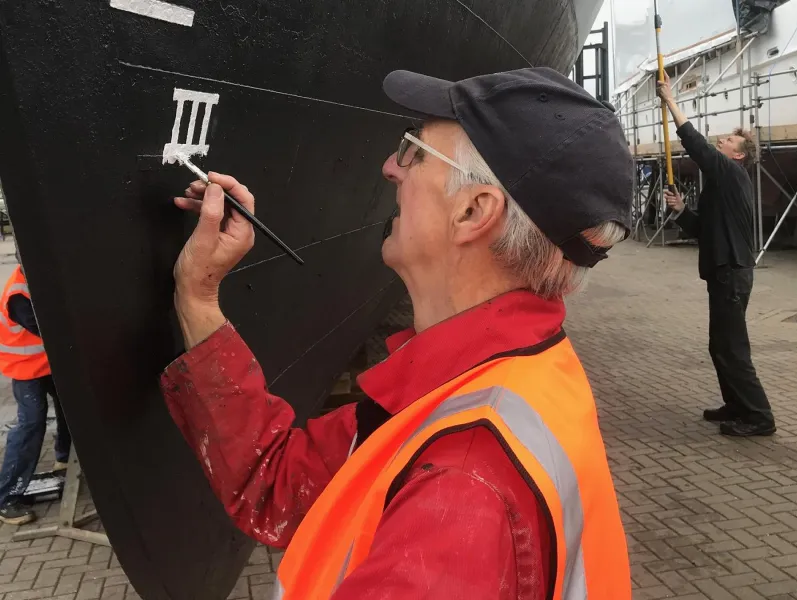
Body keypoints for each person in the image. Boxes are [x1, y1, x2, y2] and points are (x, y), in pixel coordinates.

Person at [160, 67, 634, 598]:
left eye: (414, 151)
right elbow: (282, 483)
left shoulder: (461, 487)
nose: (390, 167)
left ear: (473, 211)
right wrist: (197, 296)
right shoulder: (491, 381)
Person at [657, 73, 776, 437]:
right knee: (720, 345)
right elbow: (702, 229)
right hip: (725, 272)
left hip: (732, 273)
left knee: (732, 347)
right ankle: (736, 405)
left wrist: (671, 101)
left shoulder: (731, 174)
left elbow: (697, 146)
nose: (721, 140)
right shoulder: (722, 185)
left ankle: (759, 417)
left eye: (728, 141)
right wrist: (681, 210)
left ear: (738, 155)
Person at [0, 255, 72, 524]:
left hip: (46, 364)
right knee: (31, 423)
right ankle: (7, 497)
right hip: (26, 369)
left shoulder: (38, 280)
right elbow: (48, 330)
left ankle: (64, 460)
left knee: (68, 408)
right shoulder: (18, 294)